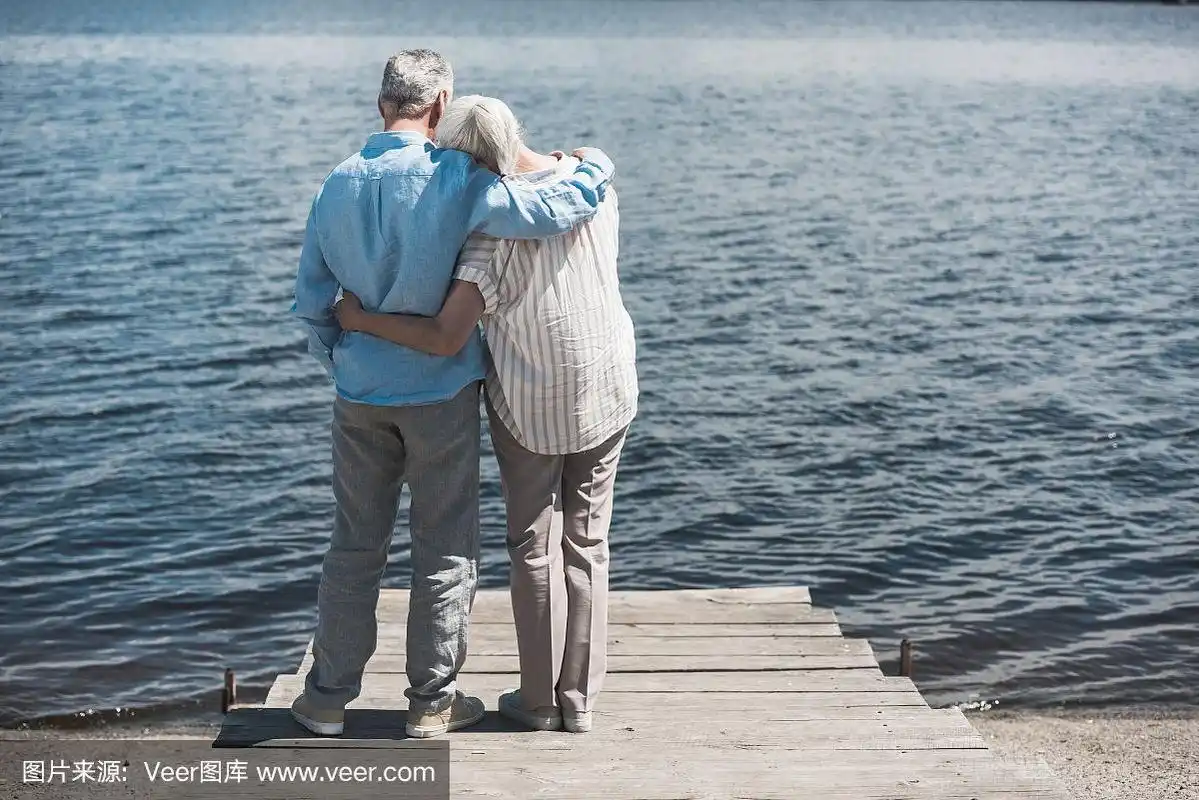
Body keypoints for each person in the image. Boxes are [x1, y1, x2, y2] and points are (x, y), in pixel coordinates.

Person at [290, 52, 616, 739]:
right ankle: (430, 703)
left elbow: (313, 302)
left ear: (382, 102)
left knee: (353, 545)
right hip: (438, 395)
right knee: (441, 549)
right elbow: (552, 206)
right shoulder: (455, 177)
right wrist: (594, 167)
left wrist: (346, 360)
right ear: (440, 103)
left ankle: (324, 699)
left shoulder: (336, 183)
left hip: (359, 394)